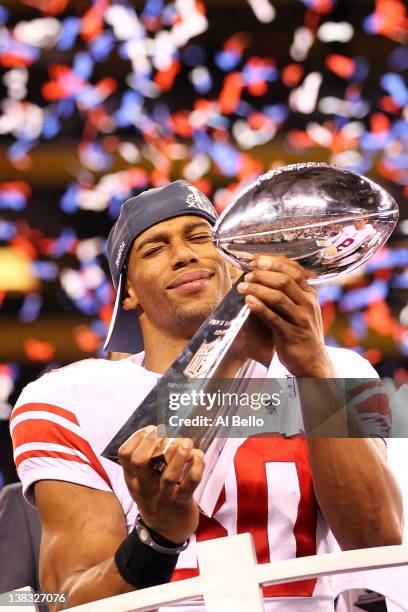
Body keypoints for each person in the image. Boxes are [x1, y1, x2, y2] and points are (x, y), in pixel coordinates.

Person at [10, 180, 402, 612]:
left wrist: (313, 372)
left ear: (234, 262)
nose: (184, 253)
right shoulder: (70, 399)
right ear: (129, 294)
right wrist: (155, 539)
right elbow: (67, 599)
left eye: (200, 237)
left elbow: (380, 546)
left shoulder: (340, 370)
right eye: (154, 249)